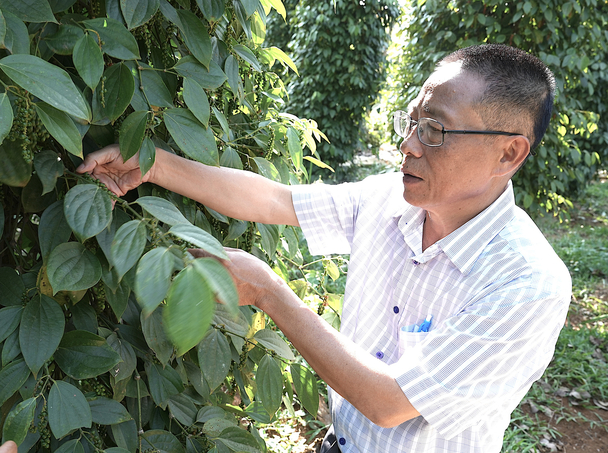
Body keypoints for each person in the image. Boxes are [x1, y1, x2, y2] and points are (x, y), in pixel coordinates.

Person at [77, 44, 571, 453]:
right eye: (413, 121)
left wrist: (269, 291)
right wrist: (151, 164)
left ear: (509, 151)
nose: (410, 145)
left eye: (435, 129)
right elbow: (272, 199)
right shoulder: (387, 200)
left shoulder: (527, 283)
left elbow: (390, 401)